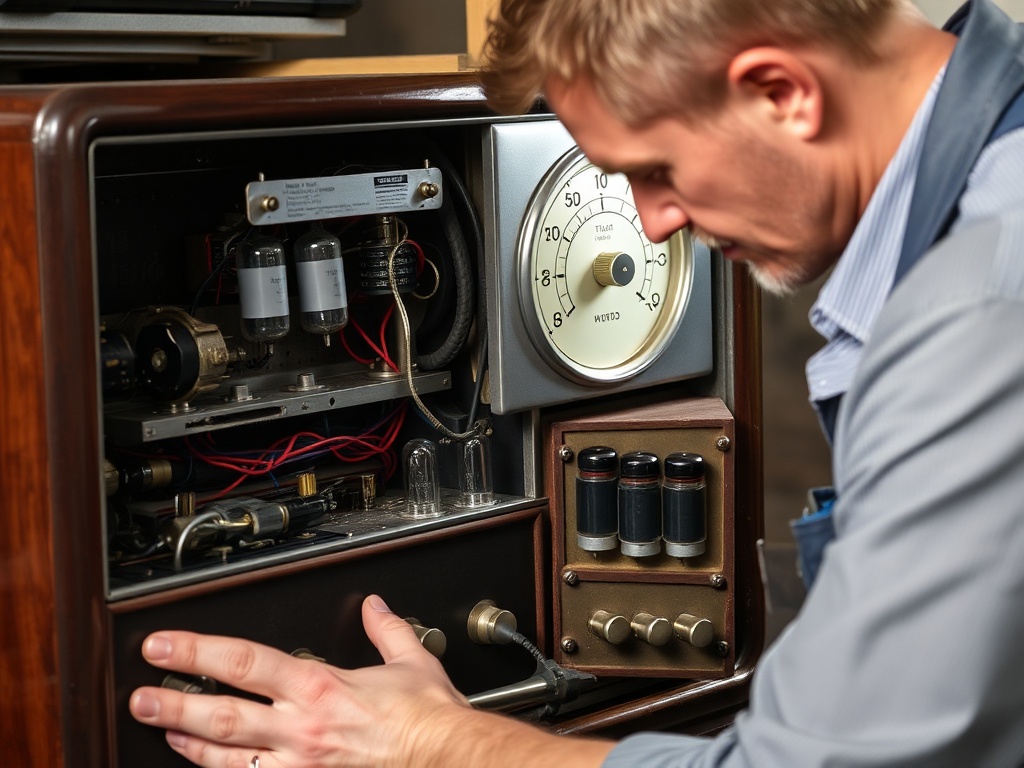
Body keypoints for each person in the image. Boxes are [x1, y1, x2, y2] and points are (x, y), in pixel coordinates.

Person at [129, 0, 1024, 765]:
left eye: (655, 170)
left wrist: (437, 742)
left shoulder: (974, 316)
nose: (654, 223)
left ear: (780, 92)